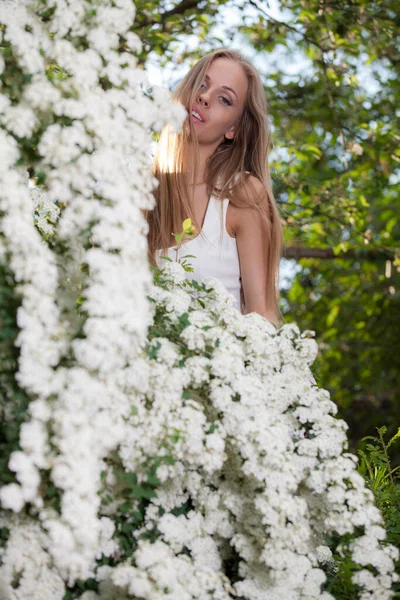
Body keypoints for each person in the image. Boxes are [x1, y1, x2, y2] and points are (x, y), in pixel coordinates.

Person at [146, 49, 283, 328]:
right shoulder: (140, 194)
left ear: (233, 129)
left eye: (224, 99)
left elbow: (262, 314)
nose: (204, 97)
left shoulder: (241, 194)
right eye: (202, 84)